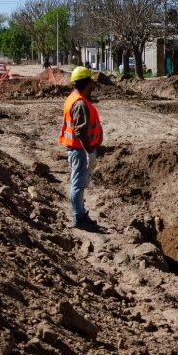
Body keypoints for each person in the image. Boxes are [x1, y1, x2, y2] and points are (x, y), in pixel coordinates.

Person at [59, 66, 104, 231]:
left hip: (78, 149)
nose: (93, 86)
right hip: (79, 150)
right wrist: (89, 152)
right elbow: (80, 131)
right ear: (87, 83)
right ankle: (79, 217)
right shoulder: (79, 103)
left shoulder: (74, 98)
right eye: (91, 82)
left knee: (80, 182)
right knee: (77, 184)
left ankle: (81, 212)